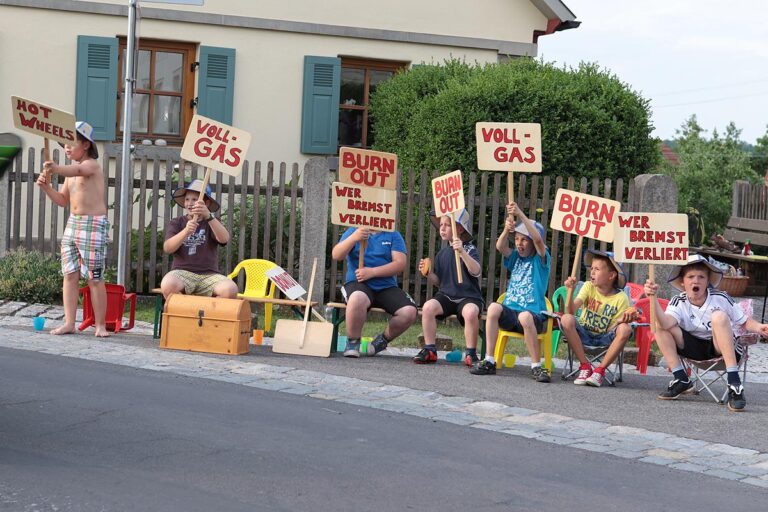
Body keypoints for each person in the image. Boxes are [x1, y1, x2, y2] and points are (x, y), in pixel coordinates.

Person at [644, 254, 768, 411]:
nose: (696, 281)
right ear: (683, 282)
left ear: (708, 281)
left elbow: (743, 320)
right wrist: (652, 298)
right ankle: (681, 378)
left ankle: (734, 383)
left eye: (701, 277)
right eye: (691, 277)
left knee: (719, 316)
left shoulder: (720, 297)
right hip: (692, 349)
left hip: (720, 348)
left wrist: (759, 327)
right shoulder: (679, 301)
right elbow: (666, 323)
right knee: (659, 325)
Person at [35, 121, 110, 337]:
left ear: (86, 144)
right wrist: (46, 187)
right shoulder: (70, 174)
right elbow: (62, 200)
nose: (66, 147)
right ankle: (69, 322)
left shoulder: (91, 165)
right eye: (64, 144)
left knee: (94, 277)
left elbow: (78, 169)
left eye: (71, 142)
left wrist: (55, 168)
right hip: (73, 224)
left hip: (93, 225)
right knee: (69, 274)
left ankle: (100, 325)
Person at [470, 202, 551, 382]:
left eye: (524, 240)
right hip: (511, 314)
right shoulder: (515, 257)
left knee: (525, 317)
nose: (519, 244)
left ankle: (537, 367)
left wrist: (520, 213)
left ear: (532, 243)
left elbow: (539, 241)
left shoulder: (541, 260)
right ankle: (489, 360)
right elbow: (500, 246)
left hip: (533, 317)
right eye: (517, 239)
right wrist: (507, 230)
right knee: (492, 308)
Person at [331, 226, 418, 358]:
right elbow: (336, 255)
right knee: (357, 298)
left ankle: (383, 340)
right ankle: (353, 342)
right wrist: (354, 237)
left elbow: (400, 264)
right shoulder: (354, 230)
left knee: (409, 311)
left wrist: (372, 272)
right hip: (358, 284)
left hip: (386, 286)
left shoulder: (393, 234)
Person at [560, 250, 639, 387]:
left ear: (611, 275)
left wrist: (620, 321)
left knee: (625, 329)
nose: (592, 272)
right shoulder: (588, 287)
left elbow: (611, 329)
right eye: (592, 268)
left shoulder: (621, 298)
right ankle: (585, 366)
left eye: (597, 269)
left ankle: (600, 371)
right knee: (566, 318)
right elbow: (571, 311)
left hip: (605, 337)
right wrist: (570, 291)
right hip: (584, 333)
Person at [416, 209, 483, 365]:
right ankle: (430, 349)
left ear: (459, 228)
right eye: (441, 225)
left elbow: (476, 271)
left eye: (447, 225)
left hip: (468, 296)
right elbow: (440, 282)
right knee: (428, 307)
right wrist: (429, 274)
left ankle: (471, 354)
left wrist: (462, 252)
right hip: (447, 295)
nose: (442, 228)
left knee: (471, 311)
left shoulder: (470, 249)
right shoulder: (442, 254)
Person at [160, 179, 238, 299]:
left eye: (195, 200)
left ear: (205, 204)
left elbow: (224, 239)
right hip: (182, 272)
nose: (189, 203)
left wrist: (209, 217)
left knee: (230, 290)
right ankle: (186, 314)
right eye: (187, 199)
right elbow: (168, 248)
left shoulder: (212, 222)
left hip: (210, 275)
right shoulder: (177, 222)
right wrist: (186, 231)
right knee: (167, 285)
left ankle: (208, 315)